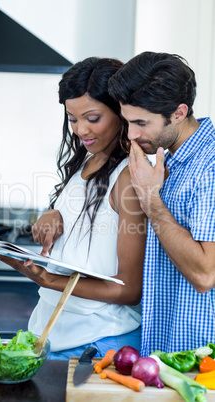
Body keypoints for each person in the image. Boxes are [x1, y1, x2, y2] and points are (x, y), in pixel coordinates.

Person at [0, 57, 147, 360]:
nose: (80, 129)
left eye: (93, 118)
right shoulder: (89, 159)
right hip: (54, 333)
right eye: (73, 118)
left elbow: (128, 290)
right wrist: (54, 212)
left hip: (98, 341)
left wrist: (47, 279)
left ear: (121, 112)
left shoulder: (130, 176)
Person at [108, 51, 215, 357]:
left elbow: (205, 275)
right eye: (127, 121)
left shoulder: (209, 166)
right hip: (164, 350)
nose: (131, 134)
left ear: (179, 113)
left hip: (200, 361)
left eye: (141, 122)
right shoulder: (164, 159)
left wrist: (150, 200)